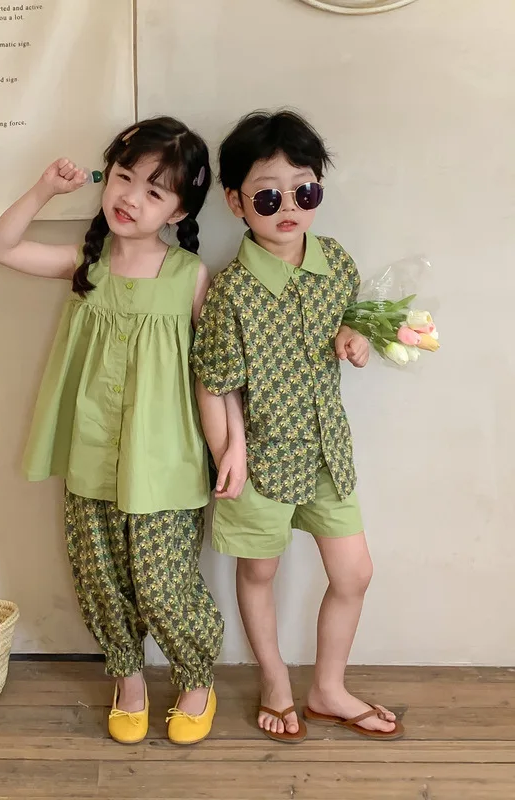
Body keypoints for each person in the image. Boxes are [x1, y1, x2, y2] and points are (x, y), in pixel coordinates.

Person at [0, 116, 231, 746]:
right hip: (90, 451)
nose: (131, 198)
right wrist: (44, 189)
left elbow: (215, 373)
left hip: (166, 459)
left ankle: (196, 676)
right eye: (124, 177)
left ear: (179, 210)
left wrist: (230, 450)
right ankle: (129, 678)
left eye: (155, 191)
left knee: (163, 582)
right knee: (100, 576)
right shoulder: (86, 264)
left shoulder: (189, 276)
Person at [192, 110, 404, 743]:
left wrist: (356, 335)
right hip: (259, 460)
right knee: (259, 573)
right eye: (268, 196)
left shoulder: (336, 262)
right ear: (235, 202)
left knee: (354, 573)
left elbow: (355, 318)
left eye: (304, 191)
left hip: (327, 452)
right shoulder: (231, 292)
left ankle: (328, 688)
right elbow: (212, 380)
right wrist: (227, 451)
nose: (288, 207)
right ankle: (275, 681)